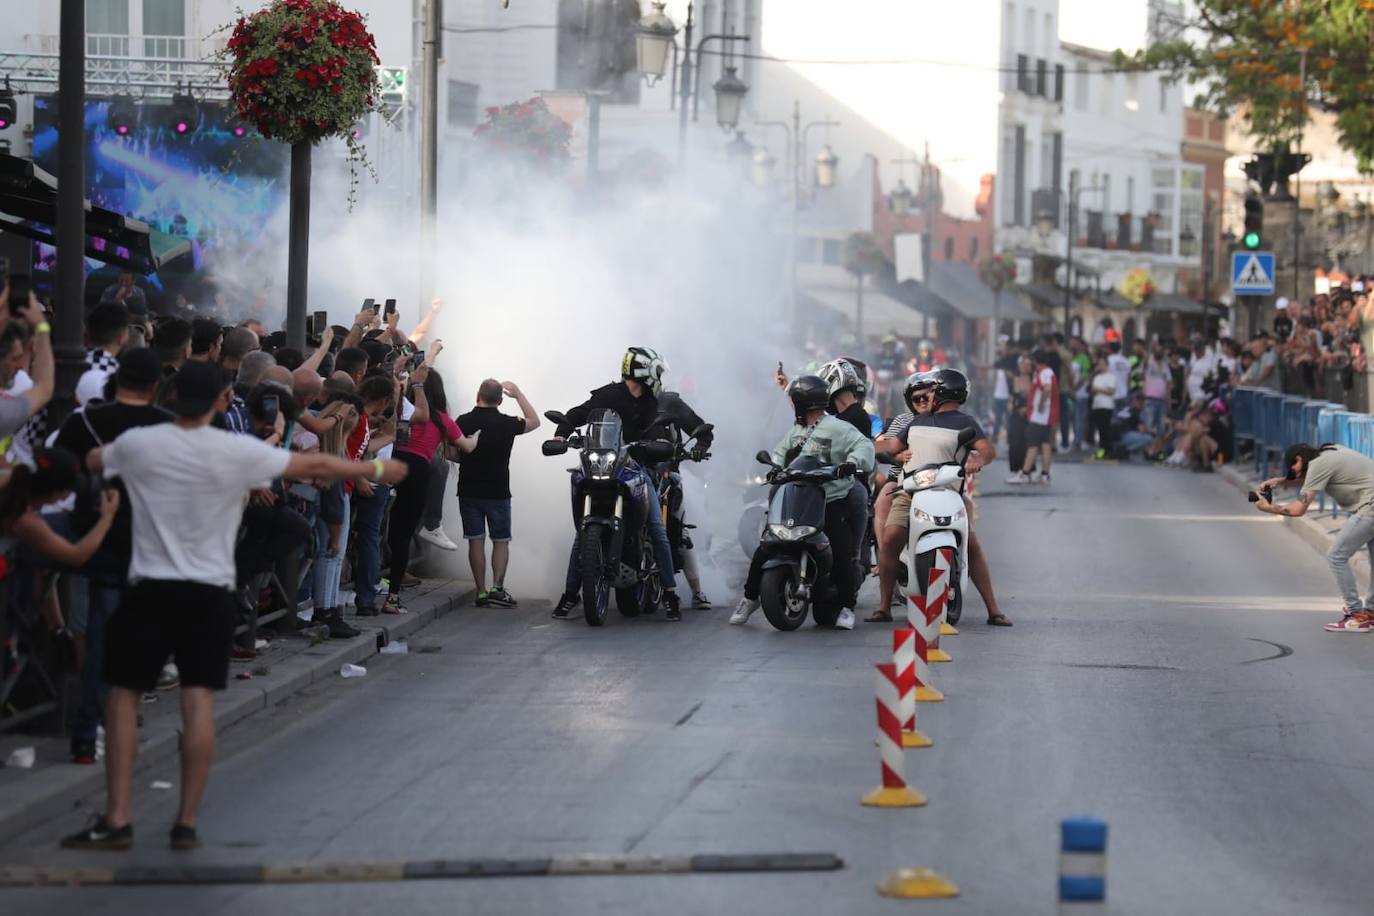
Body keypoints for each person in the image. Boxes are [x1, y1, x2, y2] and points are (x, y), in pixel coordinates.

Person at [60, 360, 409, 851]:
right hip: (209, 590)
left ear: (169, 393)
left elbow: (92, 462)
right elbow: (312, 465)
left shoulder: (142, 444)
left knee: (123, 698)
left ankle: (117, 817)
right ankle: (186, 821)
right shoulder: (234, 449)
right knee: (198, 701)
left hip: (151, 585)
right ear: (223, 401)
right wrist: (372, 467)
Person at [52, 349, 174, 762]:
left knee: (99, 636)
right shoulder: (168, 428)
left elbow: (61, 475)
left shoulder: (83, 421)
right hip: (148, 545)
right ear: (156, 386)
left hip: (96, 537)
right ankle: (121, 721)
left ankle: (89, 732)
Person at [730, 375, 874, 630]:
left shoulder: (838, 427)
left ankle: (846, 607)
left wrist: (851, 463)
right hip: (797, 496)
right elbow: (779, 452)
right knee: (767, 545)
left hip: (830, 498)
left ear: (800, 403)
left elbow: (864, 447)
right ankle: (750, 597)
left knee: (843, 552)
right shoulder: (796, 432)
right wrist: (775, 467)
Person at [869, 370, 1011, 626]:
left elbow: (987, 449)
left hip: (947, 492)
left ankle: (994, 609)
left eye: (932, 391)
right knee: (889, 540)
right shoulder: (916, 421)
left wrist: (978, 460)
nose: (927, 396)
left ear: (942, 392)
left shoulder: (966, 423)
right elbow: (890, 447)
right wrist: (861, 446)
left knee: (971, 543)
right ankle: (884, 606)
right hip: (909, 492)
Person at [551, 348, 683, 620]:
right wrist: (562, 435)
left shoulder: (651, 403)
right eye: (656, 371)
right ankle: (570, 595)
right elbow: (579, 413)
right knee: (582, 534)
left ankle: (670, 593)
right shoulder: (607, 395)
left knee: (658, 530)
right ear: (643, 371)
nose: (658, 377)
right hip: (605, 465)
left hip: (636, 469)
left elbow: (658, 429)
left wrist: (662, 444)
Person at [384, 366, 477, 613]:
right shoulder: (441, 419)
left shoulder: (402, 408)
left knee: (379, 530)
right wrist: (476, 437)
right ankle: (392, 597)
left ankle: (375, 582)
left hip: (389, 464)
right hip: (416, 471)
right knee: (402, 535)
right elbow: (465, 446)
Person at [1255, 443, 1374, 633]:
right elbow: (1311, 479)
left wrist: (1270, 509)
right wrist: (1281, 481)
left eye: (1292, 467)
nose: (1292, 472)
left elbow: (1298, 509)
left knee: (1336, 556)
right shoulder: (1329, 452)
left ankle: (1356, 615)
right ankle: (1370, 614)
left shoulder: (1319, 464)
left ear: (1299, 460)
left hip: (1370, 508)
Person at [454, 379, 539, 608]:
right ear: (500, 401)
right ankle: (497, 589)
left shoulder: (463, 421)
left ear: (477, 395)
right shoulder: (507, 423)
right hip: (498, 491)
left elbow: (449, 452)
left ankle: (481, 592)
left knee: (475, 541)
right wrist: (519, 393)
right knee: (500, 541)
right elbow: (534, 422)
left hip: (469, 490)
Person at [650, 386, 716, 611]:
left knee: (680, 531)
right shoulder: (621, 399)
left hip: (666, 475)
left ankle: (697, 591)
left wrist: (699, 446)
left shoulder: (669, 402)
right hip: (631, 472)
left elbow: (702, 430)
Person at [1009, 350, 1056, 485]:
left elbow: (1046, 390)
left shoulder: (1043, 373)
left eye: (1029, 364)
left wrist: (1040, 405)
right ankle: (1043, 474)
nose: (1026, 367)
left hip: (1037, 416)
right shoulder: (1043, 373)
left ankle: (1025, 473)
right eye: (1023, 364)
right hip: (1033, 415)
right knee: (1043, 444)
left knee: (1033, 445)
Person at [1088, 356, 1117, 457]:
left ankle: (1108, 449)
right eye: (1099, 364)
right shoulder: (1096, 377)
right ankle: (1102, 448)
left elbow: (1111, 391)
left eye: (1102, 364)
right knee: (1100, 429)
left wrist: (1099, 390)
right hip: (1097, 405)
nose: (1100, 366)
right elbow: (1092, 389)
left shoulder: (1110, 377)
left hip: (1106, 405)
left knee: (1105, 428)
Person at [1106, 341, 1132, 410]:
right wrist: (1127, 392)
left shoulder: (1108, 360)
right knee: (1122, 418)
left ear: (1109, 349)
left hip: (1112, 395)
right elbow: (1129, 378)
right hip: (1124, 394)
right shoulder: (1126, 361)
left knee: (1112, 419)